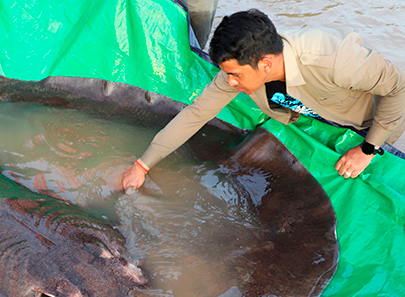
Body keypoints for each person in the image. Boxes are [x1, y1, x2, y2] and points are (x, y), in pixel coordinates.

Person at [122, 8, 405, 190]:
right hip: (321, 116)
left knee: (377, 179)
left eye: (235, 75)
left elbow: (399, 89)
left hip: (375, 120)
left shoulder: (334, 59)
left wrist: (368, 149)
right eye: (226, 74)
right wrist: (143, 164)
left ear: (266, 64)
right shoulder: (241, 68)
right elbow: (195, 114)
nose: (229, 83)